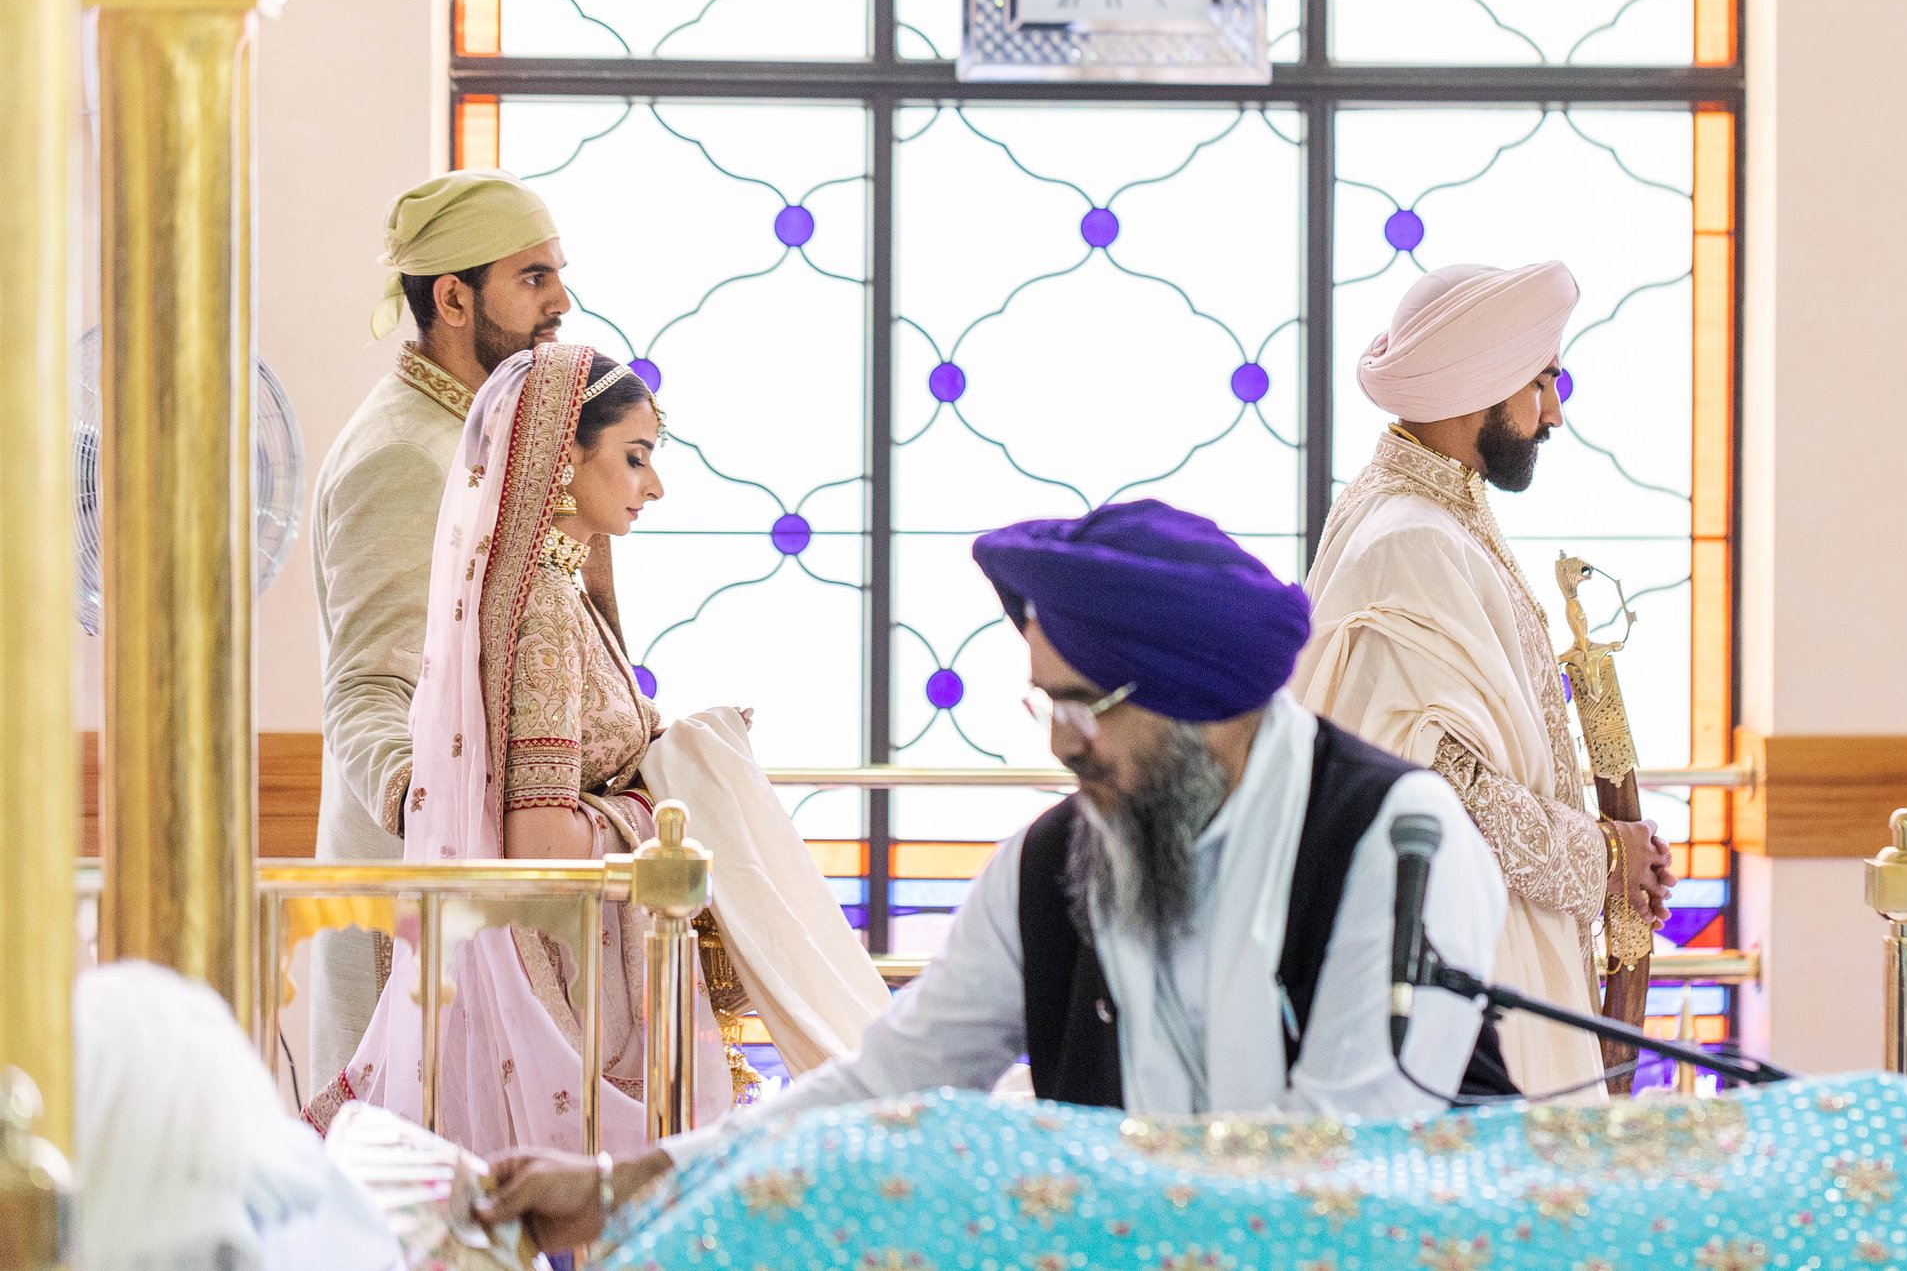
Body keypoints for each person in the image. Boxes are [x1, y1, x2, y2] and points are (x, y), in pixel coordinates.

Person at [477, 500, 1511, 1253]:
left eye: (1081, 703)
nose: (1060, 743)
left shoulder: (1395, 837)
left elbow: (1343, 1177)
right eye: (1044, 704)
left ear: (1204, 698)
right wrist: (622, 1184)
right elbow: (883, 1082)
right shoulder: (1053, 862)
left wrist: (1035, 1187)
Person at [306, 342, 888, 1153]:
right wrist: (659, 809)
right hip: (569, 985)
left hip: (592, 965)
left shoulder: (556, 586)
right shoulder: (542, 608)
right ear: (562, 456)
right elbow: (537, 840)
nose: (654, 484)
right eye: (636, 457)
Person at [1294, 261, 1675, 1099]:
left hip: (1490, 956)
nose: (1554, 412)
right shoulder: (1410, 539)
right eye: (1543, 383)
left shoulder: (1427, 508)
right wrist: (1605, 854)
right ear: (1483, 384)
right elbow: (1439, 795)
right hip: (1469, 997)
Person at [309, 171, 592, 1086]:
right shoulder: (403, 454)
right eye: (534, 277)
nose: (560, 301)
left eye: (558, 274)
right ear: (454, 298)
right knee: (413, 1193)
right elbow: (367, 688)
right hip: (414, 894)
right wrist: (430, 812)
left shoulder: (477, 432)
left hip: (475, 890)